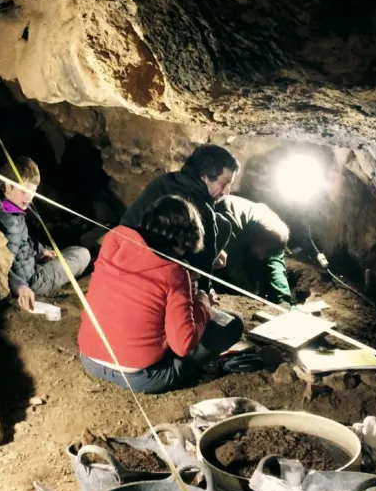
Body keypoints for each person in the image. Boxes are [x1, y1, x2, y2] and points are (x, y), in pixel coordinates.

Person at [78, 195, 244, 393]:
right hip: (141, 377)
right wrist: (203, 305)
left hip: (90, 357)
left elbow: (138, 289)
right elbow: (183, 344)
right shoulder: (174, 272)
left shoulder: (115, 242)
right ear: (189, 236)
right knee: (233, 323)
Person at [0, 156, 91, 311]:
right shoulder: (7, 222)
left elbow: (23, 241)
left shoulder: (1, 203)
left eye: (33, 192)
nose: (29, 197)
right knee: (83, 254)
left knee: (69, 241)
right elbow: (2, 267)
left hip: (31, 262)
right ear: (8, 185)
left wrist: (39, 252)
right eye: (24, 191)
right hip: (33, 280)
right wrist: (21, 287)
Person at [120, 144, 240, 276]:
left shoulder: (167, 180)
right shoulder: (200, 209)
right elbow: (203, 265)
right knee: (223, 226)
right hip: (146, 269)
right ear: (205, 176)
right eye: (225, 183)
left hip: (118, 248)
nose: (227, 192)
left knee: (221, 223)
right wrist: (204, 290)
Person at [217, 195, 292, 305]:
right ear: (255, 241)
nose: (263, 257)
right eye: (264, 252)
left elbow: (276, 263)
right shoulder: (230, 225)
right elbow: (234, 267)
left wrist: (283, 299)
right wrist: (252, 297)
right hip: (222, 228)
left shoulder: (276, 232)